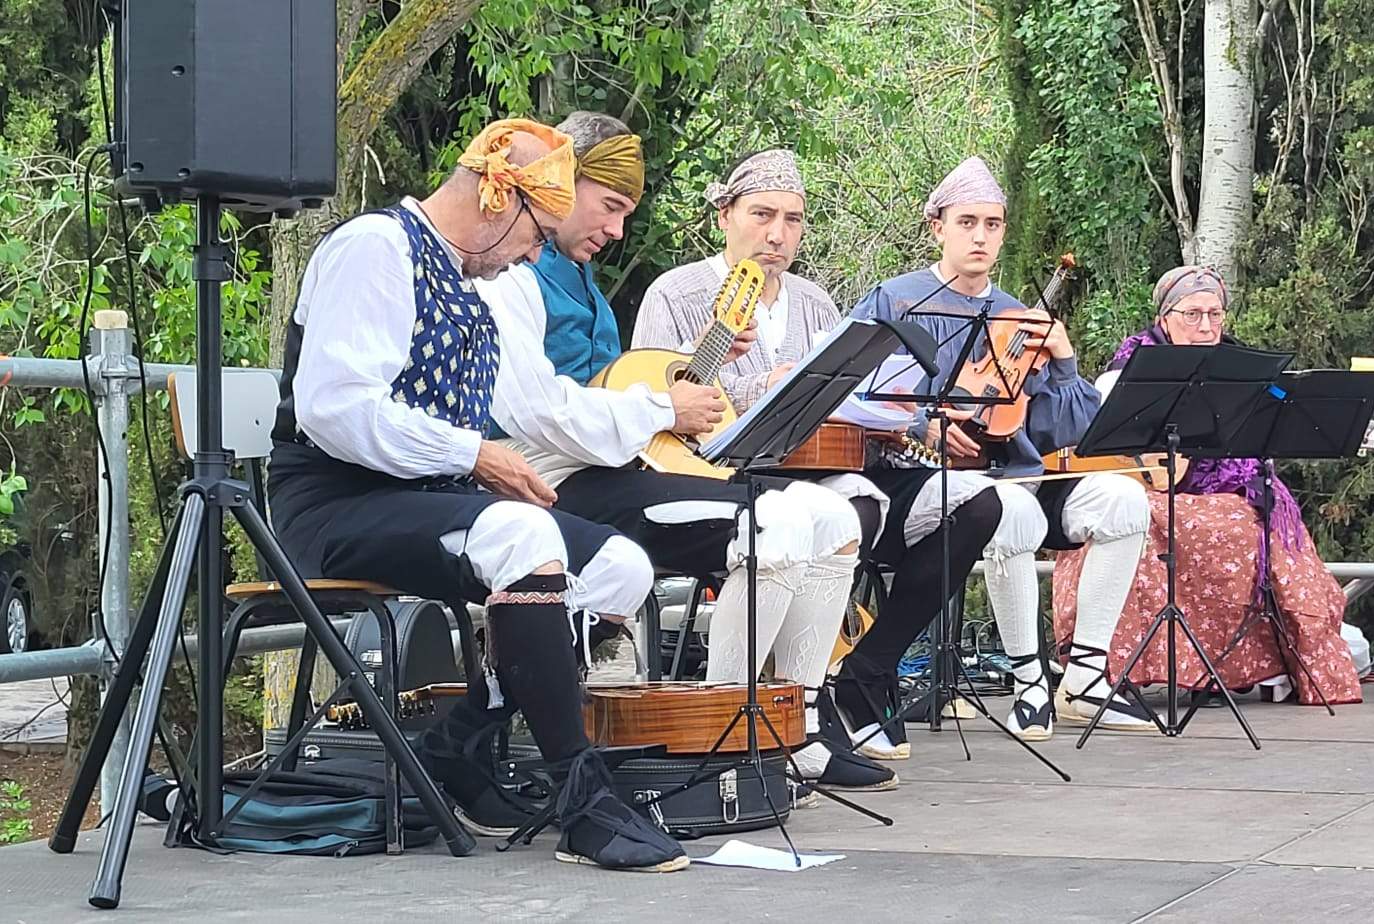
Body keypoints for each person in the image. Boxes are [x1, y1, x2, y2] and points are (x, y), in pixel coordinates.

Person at [268, 118, 687, 871]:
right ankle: (583, 801)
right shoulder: (376, 248)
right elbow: (333, 409)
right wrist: (473, 454)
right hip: (334, 502)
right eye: (537, 236)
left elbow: (530, 405)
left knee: (621, 566)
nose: (533, 255)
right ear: (501, 198)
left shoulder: (471, 279)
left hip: (432, 496)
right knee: (523, 536)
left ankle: (458, 742)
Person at [472, 112, 896, 792]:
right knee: (778, 525)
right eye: (610, 206)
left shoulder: (581, 278)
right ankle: (724, 742)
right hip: (552, 483)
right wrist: (665, 407)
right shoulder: (514, 275)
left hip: (624, 467)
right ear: (564, 183)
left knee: (835, 517)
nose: (617, 230)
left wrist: (692, 370)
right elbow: (546, 413)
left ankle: (804, 723)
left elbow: (622, 388)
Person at [631, 149, 1006, 758]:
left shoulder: (815, 301)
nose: (777, 234)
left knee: (973, 503)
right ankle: (796, 704)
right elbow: (654, 400)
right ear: (724, 215)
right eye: (762, 214)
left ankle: (863, 673)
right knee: (849, 510)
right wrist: (762, 387)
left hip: (828, 463)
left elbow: (852, 396)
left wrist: (904, 415)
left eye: (793, 219)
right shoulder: (676, 292)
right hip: (724, 474)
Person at [841, 156, 1158, 746]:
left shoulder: (1017, 315)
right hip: (921, 476)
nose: (980, 236)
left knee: (1124, 500)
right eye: (967, 223)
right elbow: (850, 387)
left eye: (992, 224)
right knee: (1007, 509)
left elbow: (1067, 430)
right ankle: (1029, 680)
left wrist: (1064, 361)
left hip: (1016, 470)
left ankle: (1085, 677)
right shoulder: (896, 299)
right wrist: (920, 422)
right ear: (937, 227)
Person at [1051, 266, 1364, 705]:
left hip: (1228, 493)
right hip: (1152, 493)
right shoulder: (1129, 368)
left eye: (1215, 315)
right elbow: (1100, 447)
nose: (1205, 326)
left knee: (1247, 528)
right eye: (1192, 314)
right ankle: (1111, 668)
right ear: (1164, 318)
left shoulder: (1241, 369)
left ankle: (1224, 668)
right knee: (1136, 517)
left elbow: (1276, 413)